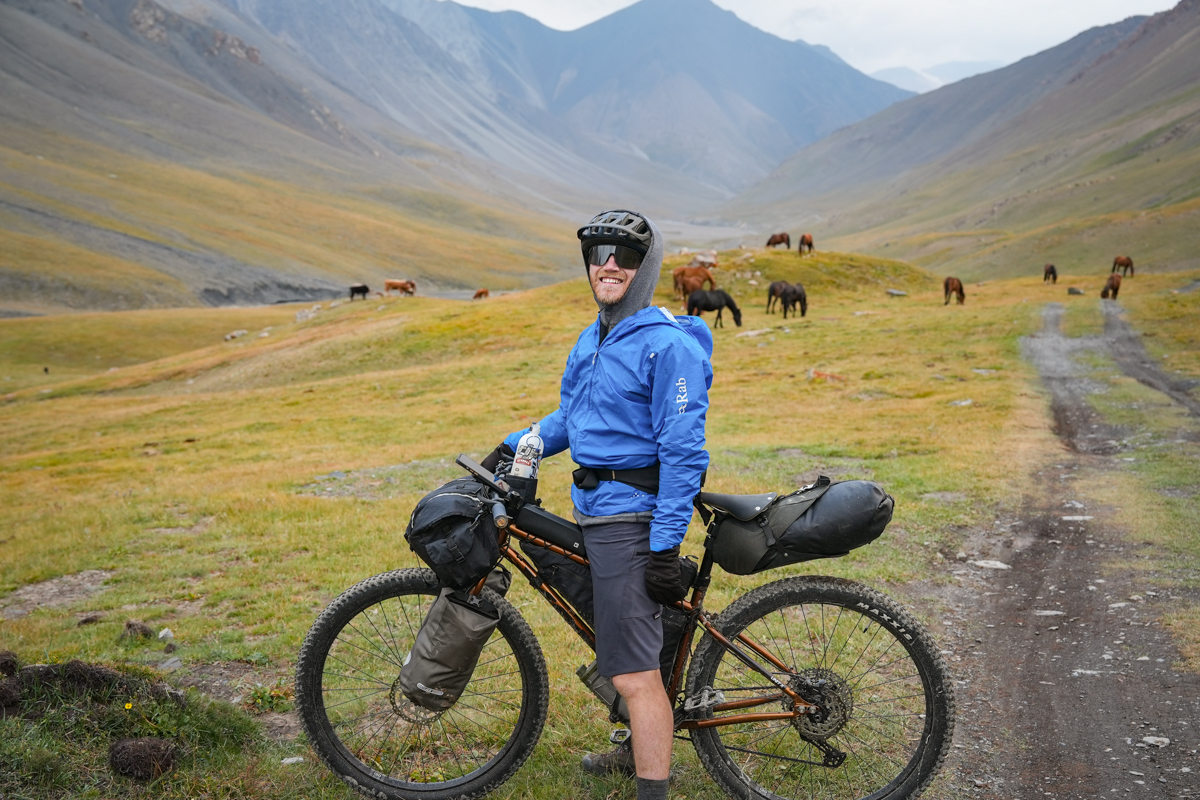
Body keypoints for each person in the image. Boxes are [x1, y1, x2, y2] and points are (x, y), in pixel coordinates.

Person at [481, 209, 712, 800]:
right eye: (599, 253)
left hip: (631, 521)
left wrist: (664, 547)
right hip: (595, 511)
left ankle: (653, 788)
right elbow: (575, 419)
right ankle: (634, 741)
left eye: (625, 256)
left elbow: (684, 454)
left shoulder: (666, 347)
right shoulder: (595, 336)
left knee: (634, 675)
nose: (609, 265)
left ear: (646, 267)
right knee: (618, 644)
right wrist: (511, 448)